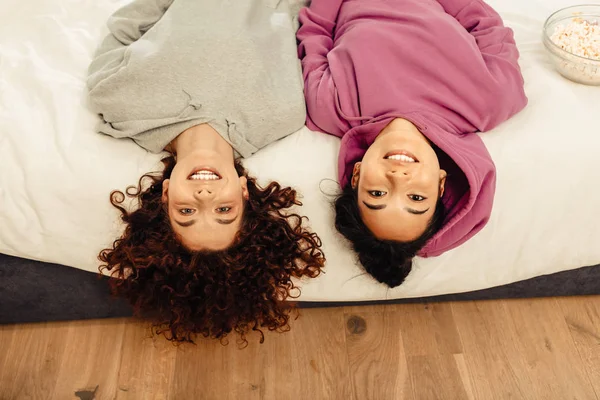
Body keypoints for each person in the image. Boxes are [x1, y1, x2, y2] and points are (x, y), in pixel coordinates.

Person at [87, 0, 325, 343]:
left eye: (187, 212)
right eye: (223, 211)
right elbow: (289, 20)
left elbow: (125, 27)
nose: (205, 197)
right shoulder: (281, 117)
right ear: (244, 193)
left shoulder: (118, 104)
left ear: (166, 196)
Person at [297, 0, 527, 287]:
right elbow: (484, 23)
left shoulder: (329, 107)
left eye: (377, 193)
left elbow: (315, 31)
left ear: (356, 175)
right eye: (416, 198)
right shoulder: (493, 99)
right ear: (440, 185)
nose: (398, 178)